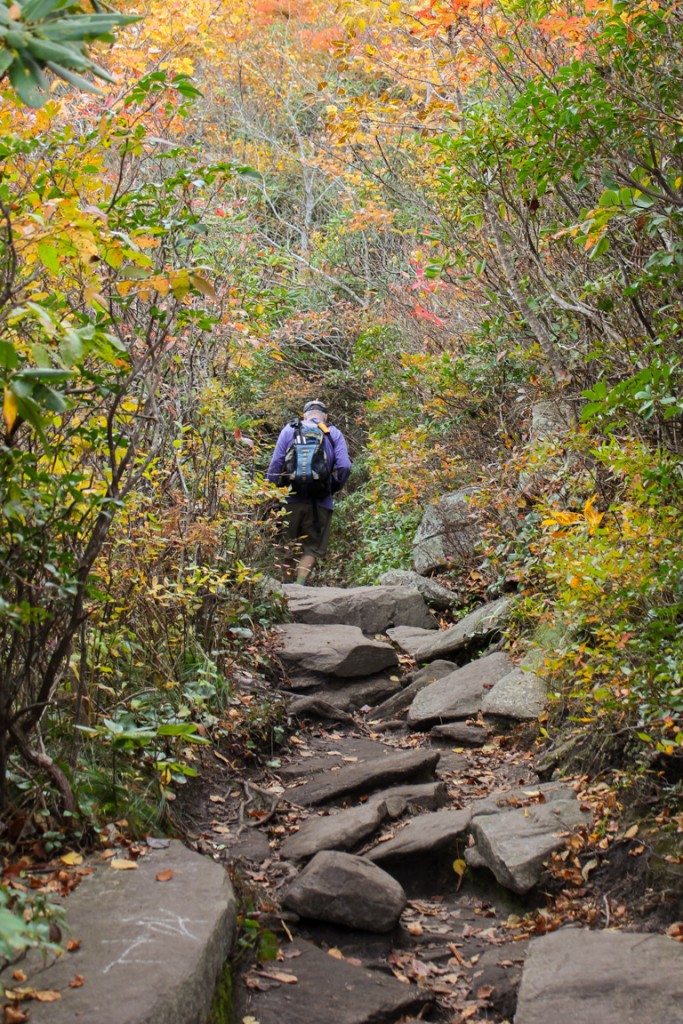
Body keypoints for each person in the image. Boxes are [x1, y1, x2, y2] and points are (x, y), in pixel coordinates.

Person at [266, 399, 351, 585]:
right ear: (325, 416)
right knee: (311, 548)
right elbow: (345, 465)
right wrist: (333, 487)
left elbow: (275, 465)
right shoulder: (332, 433)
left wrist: (270, 493)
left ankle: (287, 590)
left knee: (285, 546)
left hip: (289, 500)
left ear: (304, 415)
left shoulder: (290, 429)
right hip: (320, 500)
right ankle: (300, 584)